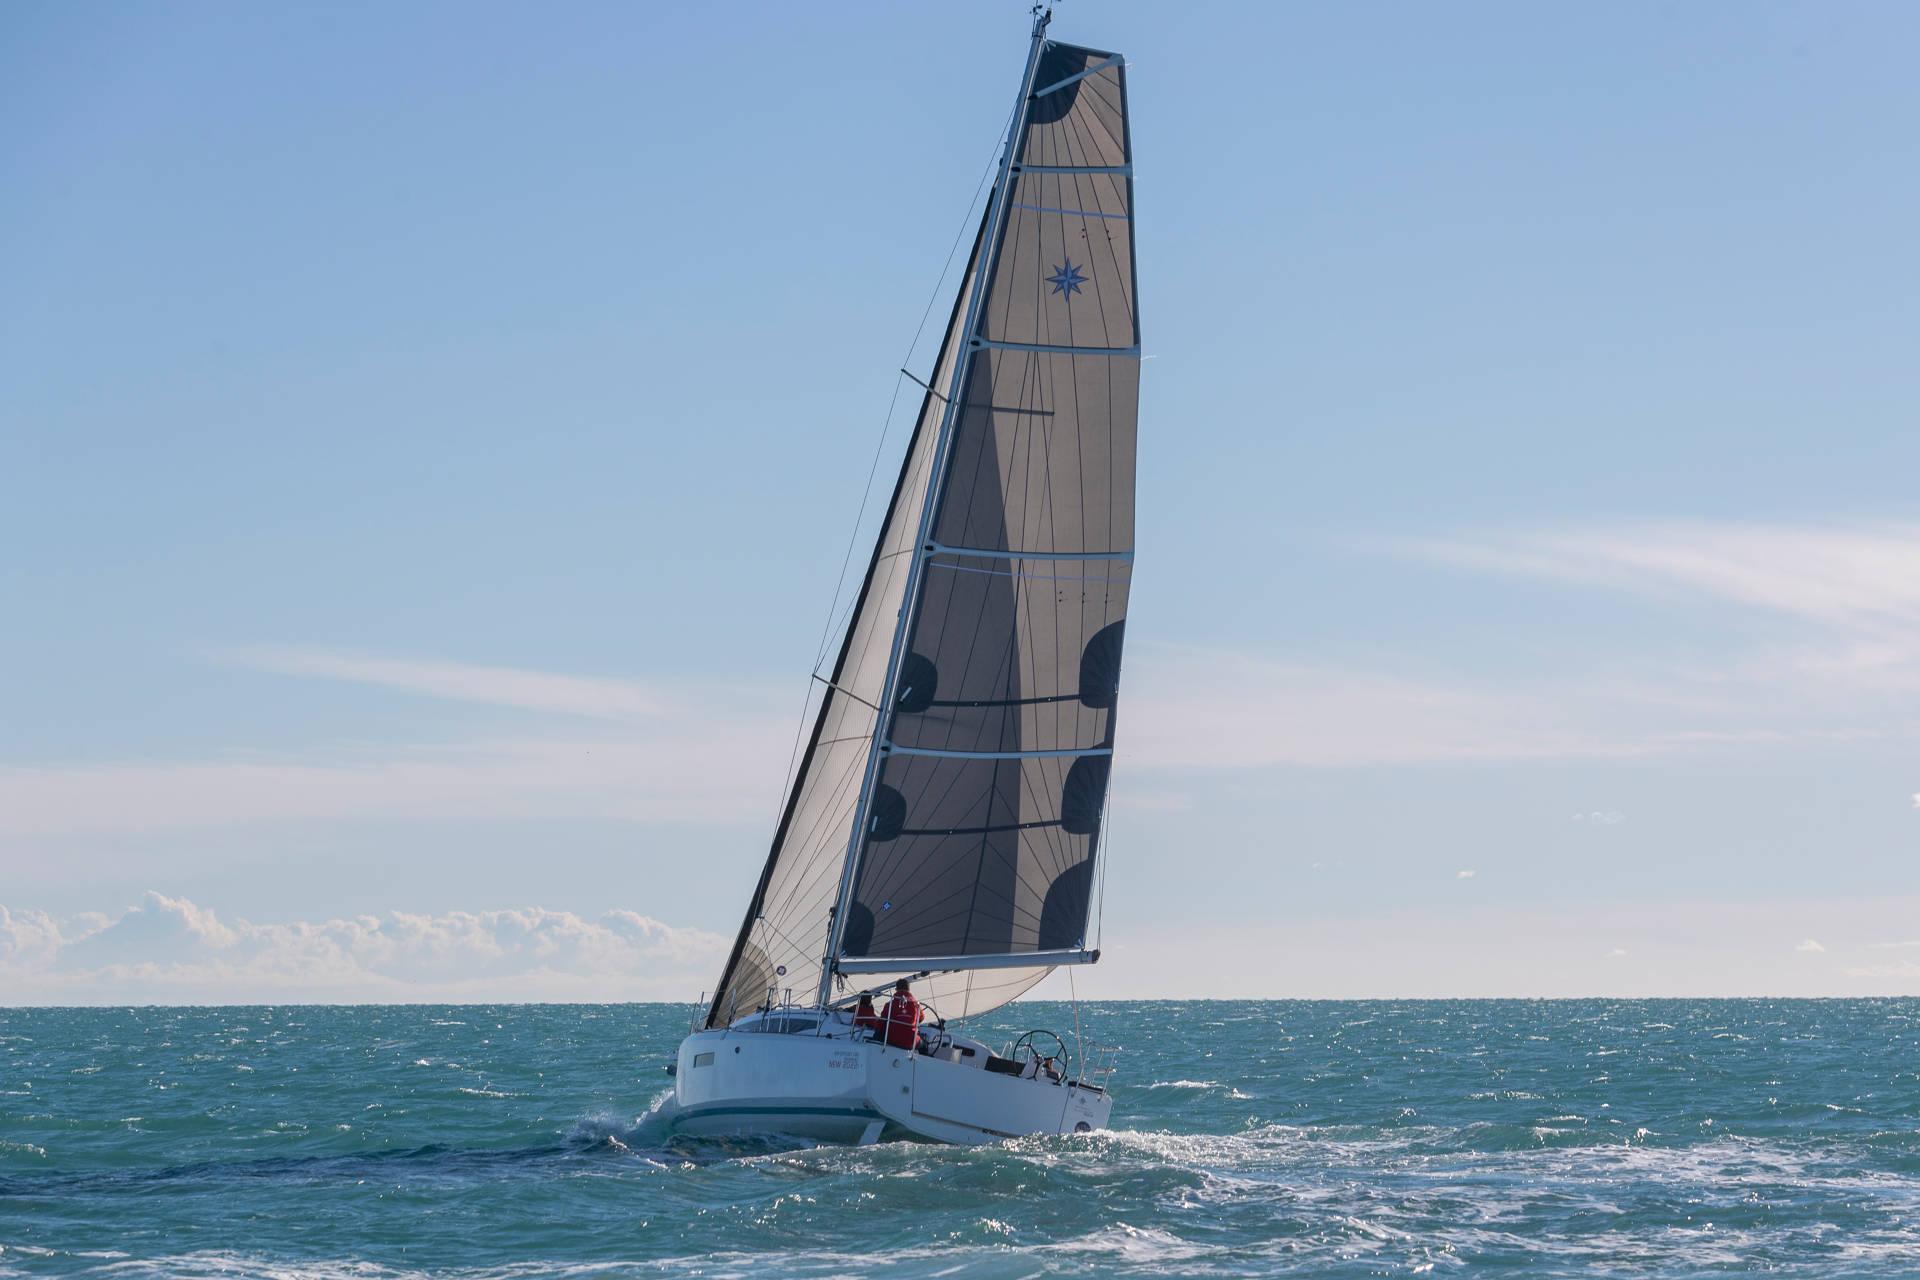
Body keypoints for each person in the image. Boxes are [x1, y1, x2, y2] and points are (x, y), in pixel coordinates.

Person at [880, 978, 920, 1051]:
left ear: (896, 989)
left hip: (892, 1039)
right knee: (923, 1043)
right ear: (908, 989)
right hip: (910, 1041)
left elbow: (881, 1022)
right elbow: (921, 1018)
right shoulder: (916, 1005)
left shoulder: (889, 1005)